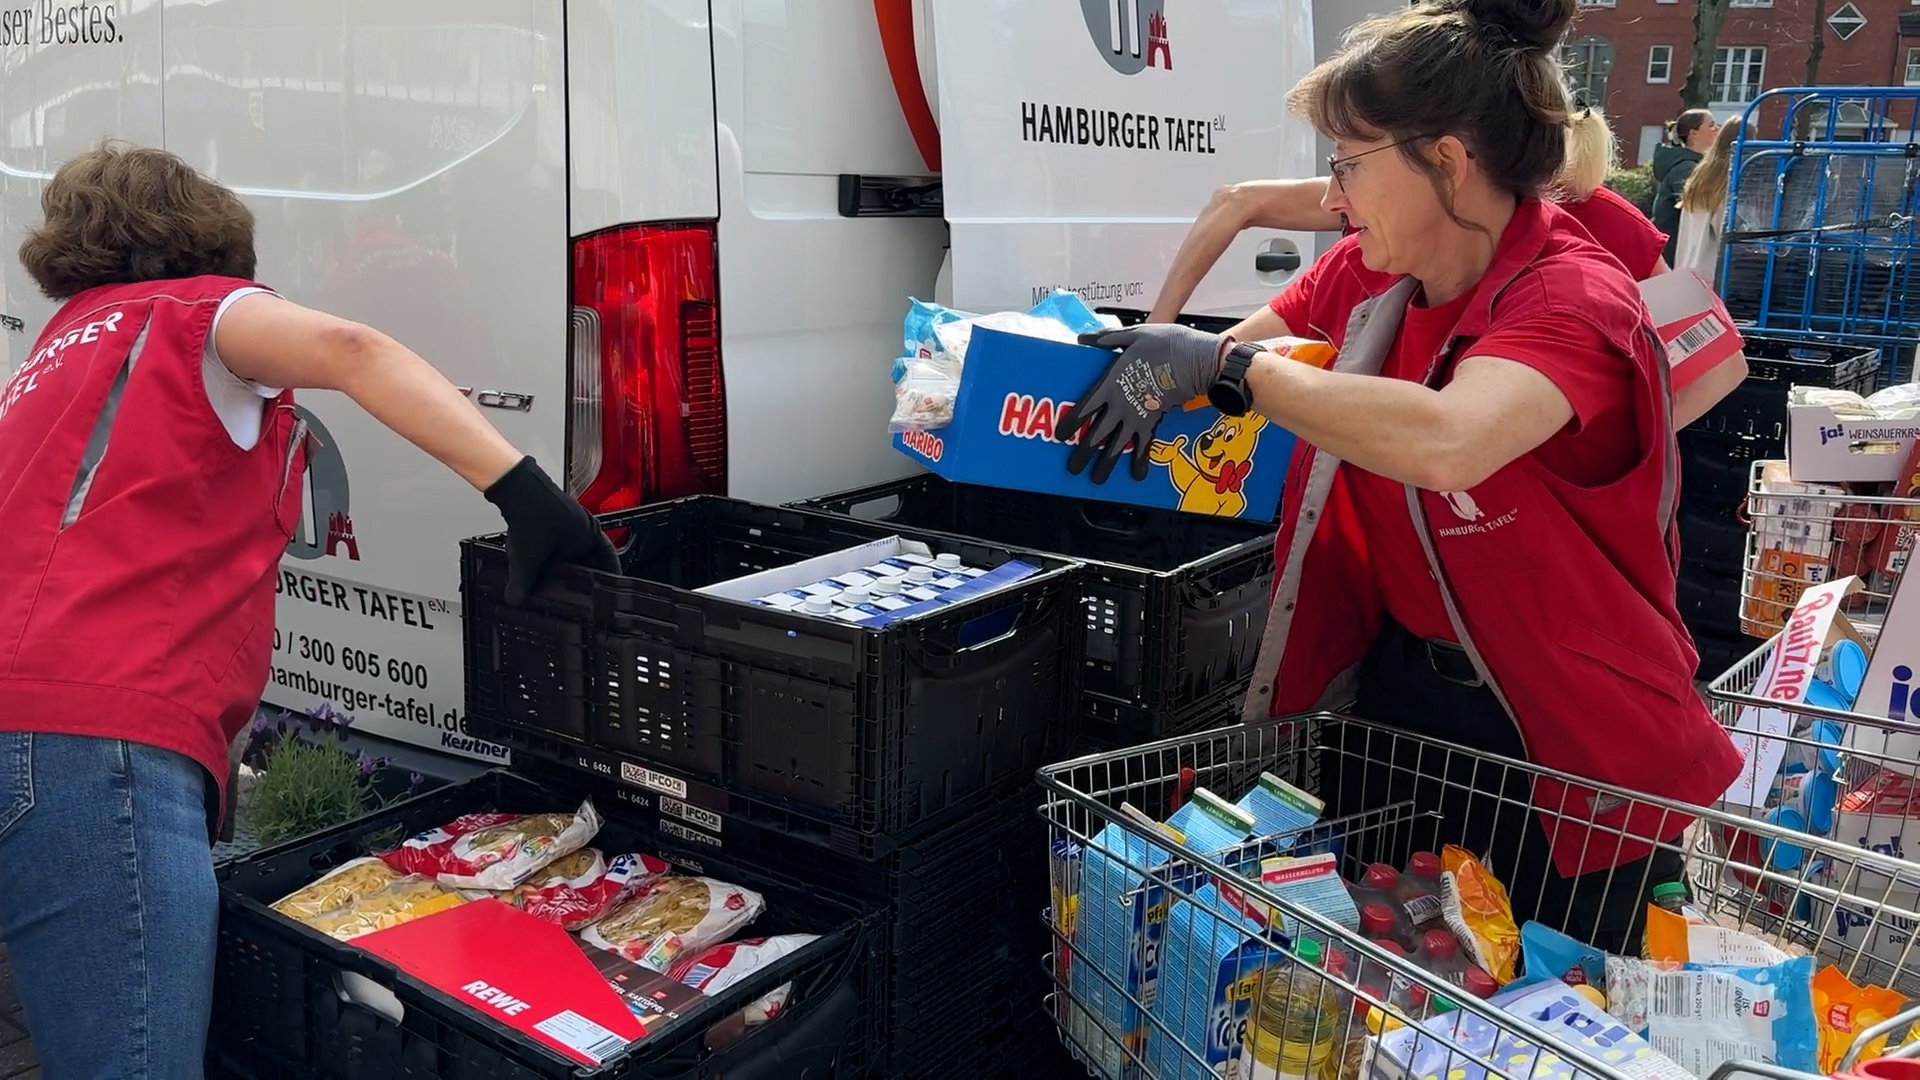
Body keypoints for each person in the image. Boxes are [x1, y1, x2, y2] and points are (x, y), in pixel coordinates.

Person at [1060, 0, 1741, 954]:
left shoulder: (1572, 296)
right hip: (1405, 710)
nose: (1333, 197)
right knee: (1395, 1004)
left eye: (1348, 164)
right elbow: (1228, 360)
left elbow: (1450, 439)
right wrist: (1118, 370)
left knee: (1561, 1012)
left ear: (1449, 162)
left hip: (1567, 742)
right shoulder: (1363, 275)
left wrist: (1227, 371)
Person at [0, 142, 620, 1078]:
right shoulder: (200, 310)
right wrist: (527, 491)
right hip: (97, 752)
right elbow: (353, 349)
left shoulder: (58, 349)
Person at [1148, 104, 1745, 429]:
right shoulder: (1377, 237)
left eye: (1348, 167)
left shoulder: (1596, 222)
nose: (1336, 200)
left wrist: (1601, 437)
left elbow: (1711, 357)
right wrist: (1172, 344)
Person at [1675, 119, 1745, 285]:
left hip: (1686, 271)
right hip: (1713, 276)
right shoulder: (1729, 181)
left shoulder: (1700, 175)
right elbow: (1726, 233)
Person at [1652, 108, 1719, 265]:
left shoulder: (1690, 164)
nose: (1717, 129)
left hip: (1674, 252)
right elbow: (1698, 210)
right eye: (1711, 125)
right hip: (1672, 254)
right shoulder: (1686, 169)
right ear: (1693, 133)